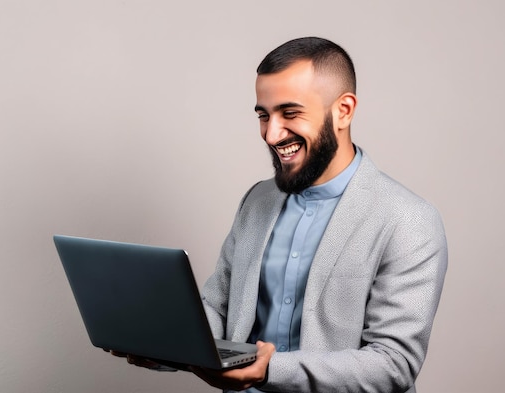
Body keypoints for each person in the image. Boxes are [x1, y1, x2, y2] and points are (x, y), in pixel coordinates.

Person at [120, 37, 448, 393]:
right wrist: (164, 346)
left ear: (344, 110)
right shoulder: (257, 200)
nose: (271, 134)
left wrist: (267, 370)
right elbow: (218, 307)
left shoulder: (409, 220)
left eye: (290, 113)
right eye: (264, 115)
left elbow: (393, 363)